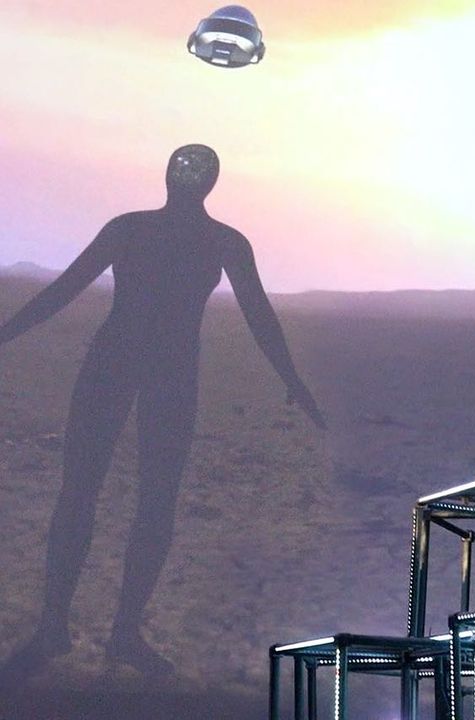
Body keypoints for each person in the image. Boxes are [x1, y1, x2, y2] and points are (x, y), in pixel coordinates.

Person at [0, 144, 325, 678]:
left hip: (148, 369)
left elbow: (258, 314)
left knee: (137, 497)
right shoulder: (192, 236)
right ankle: (71, 627)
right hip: (136, 365)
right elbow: (64, 290)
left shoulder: (161, 232)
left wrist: (292, 379)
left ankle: (105, 631)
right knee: (99, 493)